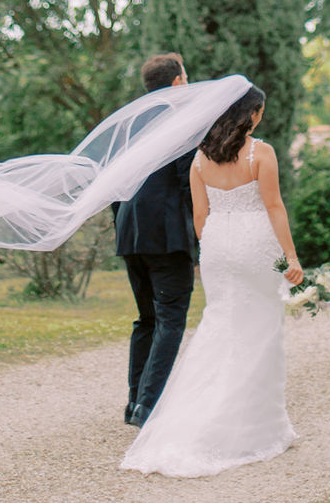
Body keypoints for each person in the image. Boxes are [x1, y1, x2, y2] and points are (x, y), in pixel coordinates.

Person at [120, 84, 303, 478]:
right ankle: (260, 427)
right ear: (251, 114)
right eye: (260, 111)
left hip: (217, 247)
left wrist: (216, 248)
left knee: (218, 326)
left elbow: (200, 217)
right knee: (260, 331)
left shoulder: (200, 158)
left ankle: (192, 417)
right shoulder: (261, 153)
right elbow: (274, 206)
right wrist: (290, 256)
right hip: (255, 244)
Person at [113, 52, 196, 427]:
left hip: (130, 230)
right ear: (177, 82)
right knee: (171, 320)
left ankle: (134, 402)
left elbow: (112, 180)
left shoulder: (128, 124)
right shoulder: (182, 121)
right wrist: (201, 235)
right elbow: (188, 181)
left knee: (146, 319)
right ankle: (148, 406)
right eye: (186, 77)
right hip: (166, 235)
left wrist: (121, 224)